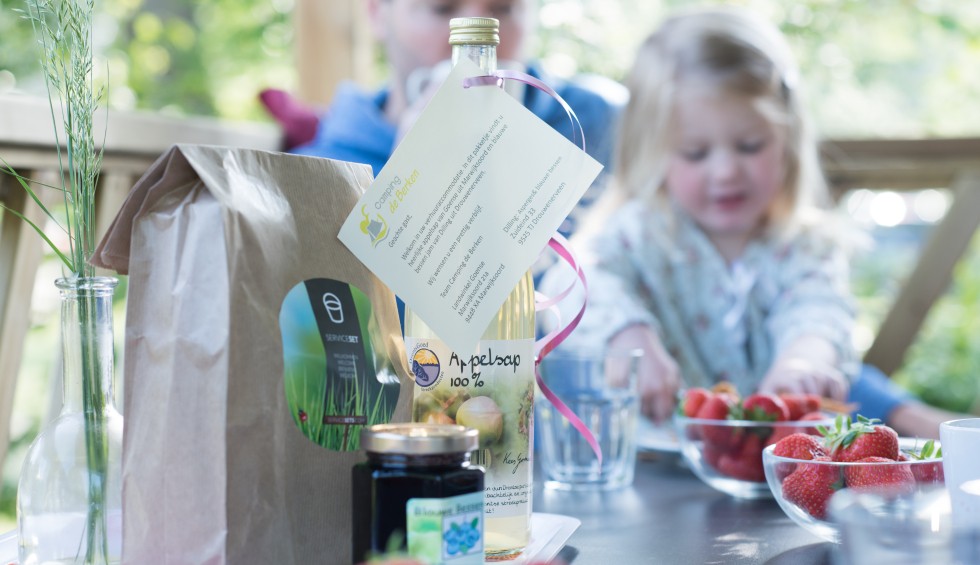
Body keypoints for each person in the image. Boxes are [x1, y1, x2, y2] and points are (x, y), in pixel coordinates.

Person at [542, 6, 855, 424]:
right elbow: (571, 281)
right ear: (652, 152)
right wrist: (627, 334)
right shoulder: (639, 233)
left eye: (750, 145)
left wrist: (804, 362)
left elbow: (819, 310)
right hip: (654, 458)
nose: (725, 171)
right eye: (695, 152)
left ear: (788, 140)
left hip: (767, 460)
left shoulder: (804, 246)